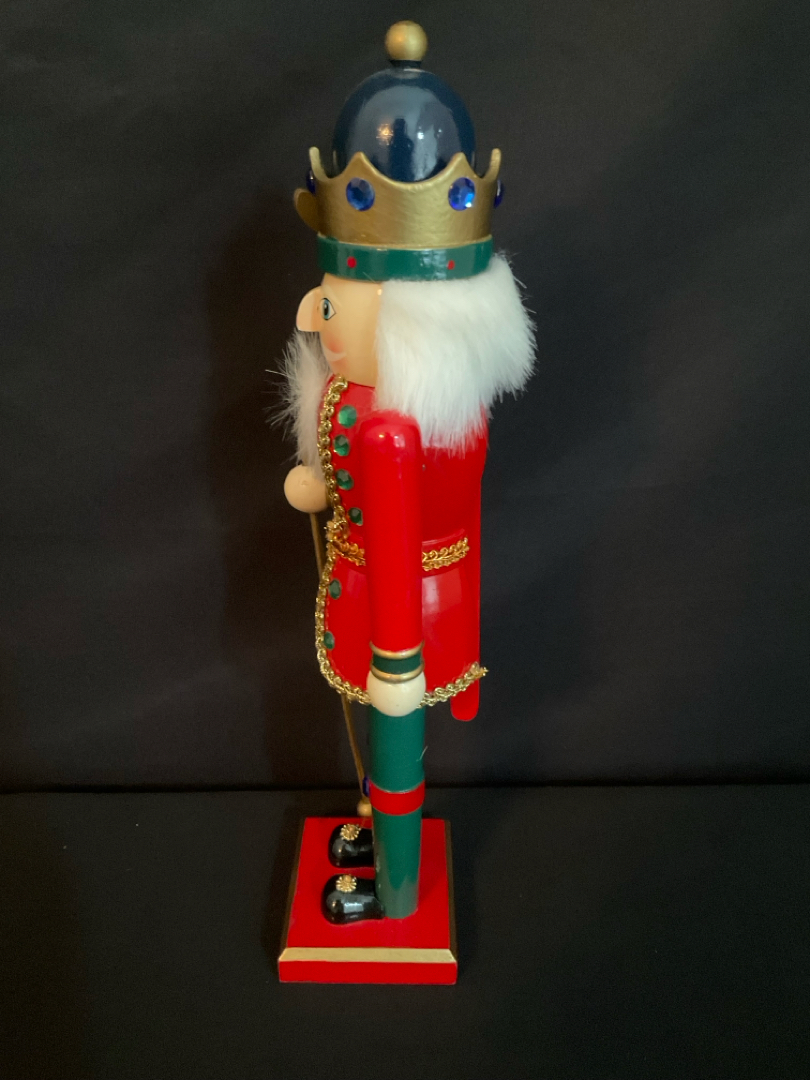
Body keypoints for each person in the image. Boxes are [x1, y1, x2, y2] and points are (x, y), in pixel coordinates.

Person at [281, 21, 534, 923]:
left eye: (336, 304)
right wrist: (323, 484)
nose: (315, 316)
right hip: (413, 595)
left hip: (401, 618)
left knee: (393, 741)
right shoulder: (401, 412)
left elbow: (396, 545)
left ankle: (390, 895)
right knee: (378, 743)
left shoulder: (396, 431)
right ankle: (382, 837)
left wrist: (398, 665)